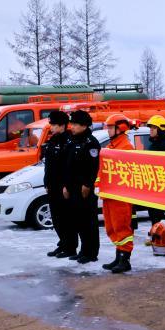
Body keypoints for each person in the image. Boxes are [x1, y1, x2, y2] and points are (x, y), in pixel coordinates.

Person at [64, 109, 102, 264]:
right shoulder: (73, 141)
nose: (72, 127)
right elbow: (68, 166)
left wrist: (87, 184)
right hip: (72, 187)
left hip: (84, 188)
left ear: (84, 125)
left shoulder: (91, 142)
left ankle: (91, 252)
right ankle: (83, 250)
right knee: (78, 220)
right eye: (71, 124)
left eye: (75, 124)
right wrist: (66, 186)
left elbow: (93, 167)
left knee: (88, 221)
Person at [99, 114, 136, 273]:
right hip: (110, 194)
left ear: (120, 128)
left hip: (120, 195)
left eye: (110, 127)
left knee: (121, 227)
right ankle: (118, 257)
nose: (108, 130)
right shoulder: (112, 146)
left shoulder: (126, 147)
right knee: (112, 227)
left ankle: (124, 260)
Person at [42, 109, 75, 258]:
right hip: (52, 185)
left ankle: (70, 247)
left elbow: (69, 167)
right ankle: (62, 244)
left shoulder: (68, 141)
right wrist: (46, 182)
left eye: (54, 124)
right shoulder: (53, 140)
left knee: (66, 218)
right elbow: (48, 164)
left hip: (63, 187)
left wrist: (67, 185)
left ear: (62, 125)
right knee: (56, 218)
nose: (51, 127)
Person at [143, 114, 165, 226]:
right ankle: (157, 229)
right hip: (153, 182)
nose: (151, 130)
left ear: (160, 129)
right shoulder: (155, 142)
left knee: (159, 213)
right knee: (153, 211)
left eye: (153, 128)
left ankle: (162, 230)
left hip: (160, 183)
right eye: (150, 128)